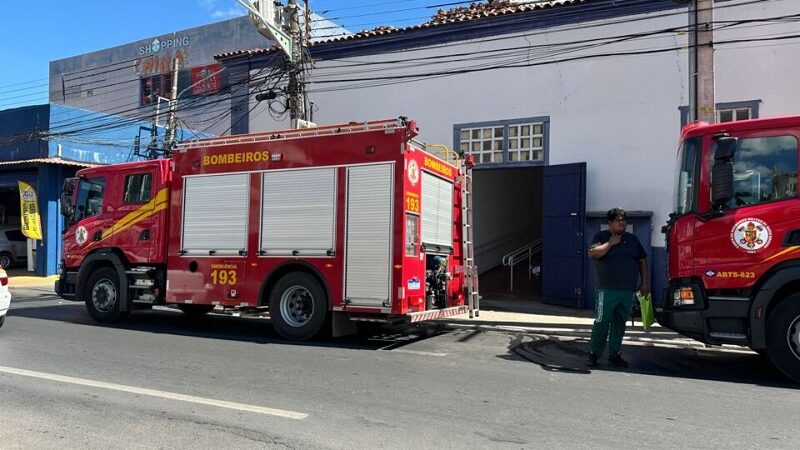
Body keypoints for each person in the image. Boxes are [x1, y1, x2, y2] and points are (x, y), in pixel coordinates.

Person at [586, 208, 649, 368]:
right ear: (610, 223)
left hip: (627, 290)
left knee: (620, 323)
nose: (622, 223)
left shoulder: (632, 240)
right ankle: (594, 353)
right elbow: (592, 253)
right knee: (602, 322)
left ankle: (614, 354)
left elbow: (642, 261)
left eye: (624, 220)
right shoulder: (601, 237)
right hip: (606, 290)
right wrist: (610, 244)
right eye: (618, 220)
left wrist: (644, 283)